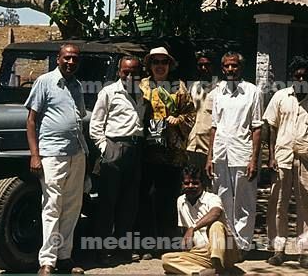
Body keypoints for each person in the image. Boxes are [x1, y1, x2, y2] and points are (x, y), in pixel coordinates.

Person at [264, 55, 308, 269]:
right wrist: (271, 156)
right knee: (278, 204)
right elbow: (272, 127)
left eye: (304, 75)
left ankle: (305, 252)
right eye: (297, 75)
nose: (300, 78)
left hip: (307, 158)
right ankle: (278, 250)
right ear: (292, 77)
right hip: (282, 157)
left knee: (307, 205)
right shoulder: (280, 97)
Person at [25, 43, 88, 275]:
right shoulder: (44, 82)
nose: (71, 62)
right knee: (52, 205)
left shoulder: (77, 85)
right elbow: (31, 121)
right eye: (67, 58)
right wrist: (35, 154)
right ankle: (47, 261)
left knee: (72, 206)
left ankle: (64, 256)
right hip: (52, 154)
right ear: (58, 59)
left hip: (76, 152)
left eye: (75, 59)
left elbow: (79, 117)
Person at [136, 46, 196, 258]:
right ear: (149, 65)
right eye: (155, 62)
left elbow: (190, 114)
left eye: (164, 62)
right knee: (147, 197)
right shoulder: (142, 86)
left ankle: (167, 243)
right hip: (148, 151)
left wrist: (177, 120)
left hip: (172, 152)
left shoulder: (178, 87)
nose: (160, 66)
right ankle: (147, 245)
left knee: (169, 197)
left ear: (170, 64)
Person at [89, 55, 145, 265]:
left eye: (134, 72)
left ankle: (123, 248)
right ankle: (102, 250)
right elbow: (96, 124)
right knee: (108, 202)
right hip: (114, 147)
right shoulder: (109, 92)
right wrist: (106, 148)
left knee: (129, 202)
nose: (130, 76)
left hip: (135, 149)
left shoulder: (142, 93)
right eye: (126, 72)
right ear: (119, 72)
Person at [206, 51, 263, 253]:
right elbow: (214, 126)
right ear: (223, 69)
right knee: (222, 200)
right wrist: (209, 157)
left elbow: (257, 128)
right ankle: (226, 245)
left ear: (240, 67)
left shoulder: (253, 92)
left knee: (244, 202)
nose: (231, 69)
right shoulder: (218, 92)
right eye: (227, 66)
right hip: (221, 153)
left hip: (242, 153)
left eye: (234, 66)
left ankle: (242, 246)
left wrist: (254, 160)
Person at [161, 165, 240, 275]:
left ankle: (218, 263)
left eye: (195, 183)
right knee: (166, 259)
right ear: (182, 184)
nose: (190, 186)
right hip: (201, 252)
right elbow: (184, 230)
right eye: (187, 183)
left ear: (203, 184)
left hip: (225, 249)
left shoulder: (212, 198)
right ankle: (201, 272)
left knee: (216, 225)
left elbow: (215, 213)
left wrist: (192, 228)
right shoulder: (181, 201)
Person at [186, 52, 218, 187]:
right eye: (200, 65)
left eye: (207, 65)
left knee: (211, 185)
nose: (204, 68)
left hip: (212, 145)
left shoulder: (222, 89)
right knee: (192, 182)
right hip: (192, 143)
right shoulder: (193, 87)